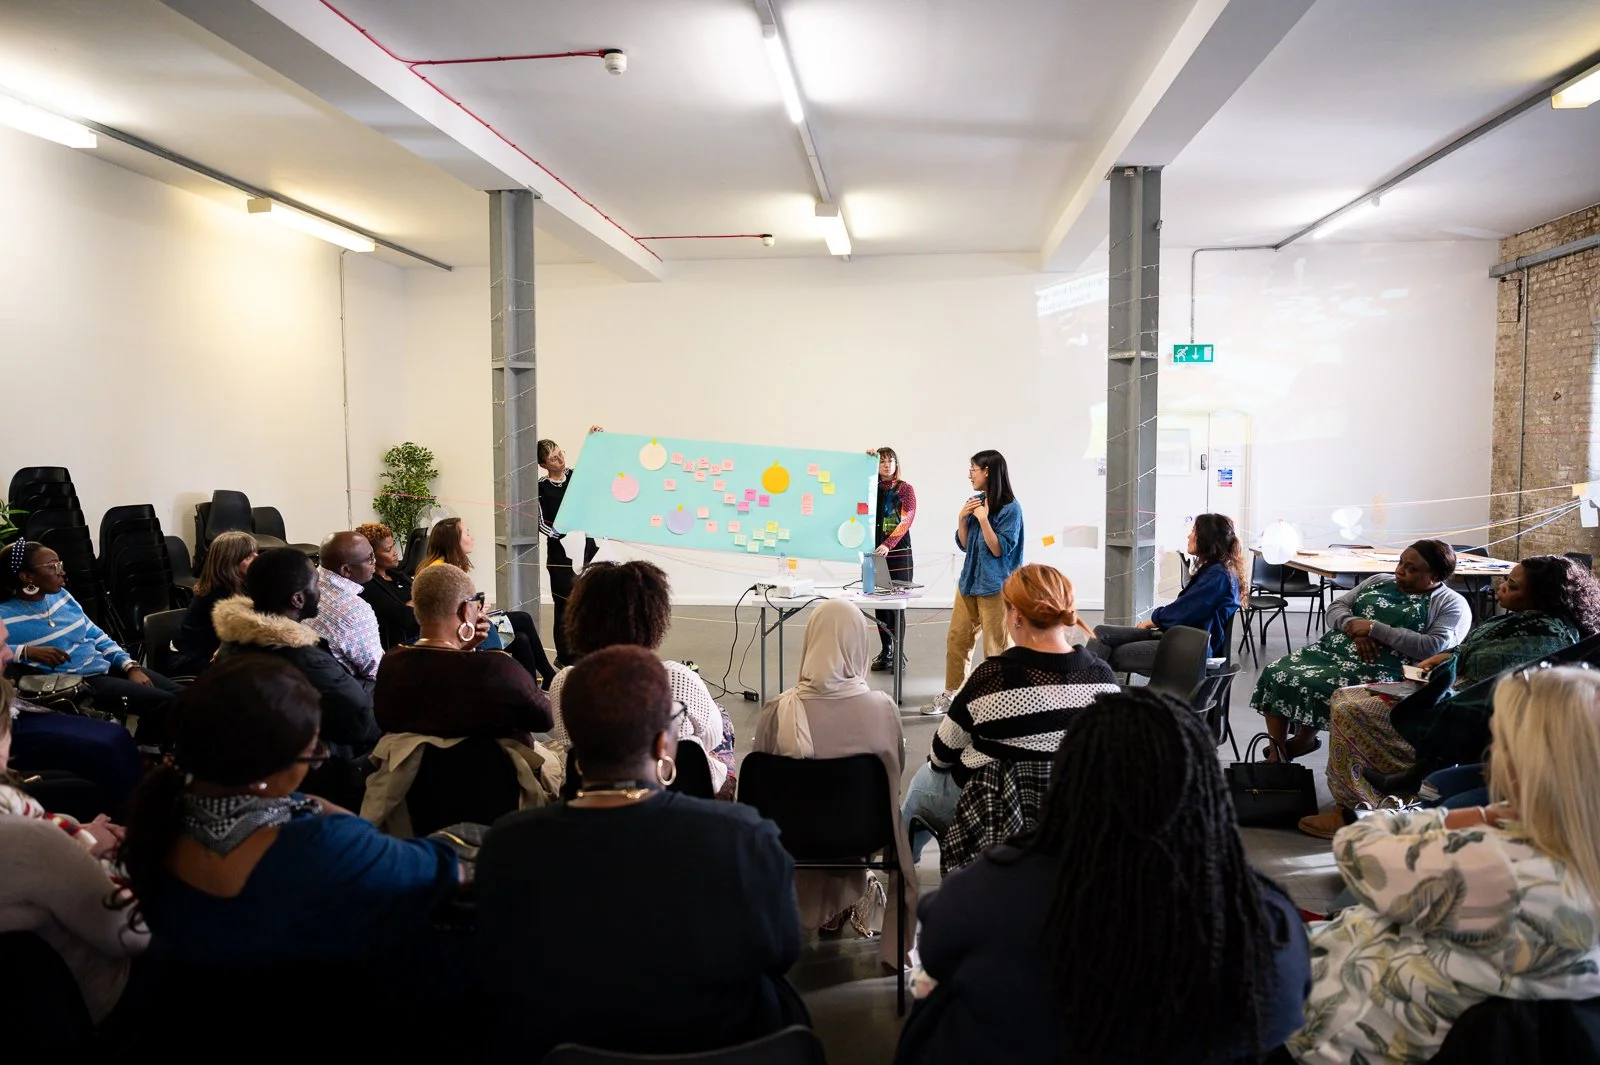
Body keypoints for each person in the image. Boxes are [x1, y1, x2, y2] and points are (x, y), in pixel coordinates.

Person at [898, 689, 1309, 1065]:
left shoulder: (988, 894)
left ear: (1067, 779)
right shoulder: (1262, 922)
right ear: (1205, 790)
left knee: (931, 992)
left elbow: (937, 943)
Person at [476, 646, 807, 1059]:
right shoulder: (744, 838)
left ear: (573, 739)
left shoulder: (508, 846)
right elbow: (781, 950)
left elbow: (497, 967)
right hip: (721, 1045)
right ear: (663, 743)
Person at [1286, 666, 1600, 1063]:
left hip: (1341, 1033)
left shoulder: (1490, 866)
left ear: (1528, 767)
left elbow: (1355, 845)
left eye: (1500, 742)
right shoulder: (1571, 865)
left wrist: (1464, 817)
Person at [114, 654, 462, 969]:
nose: (318, 761)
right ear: (263, 772)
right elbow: (439, 869)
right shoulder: (321, 844)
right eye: (311, 753)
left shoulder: (157, 823)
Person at [1304, 554, 1600, 836]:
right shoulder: (1521, 620)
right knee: (1344, 695)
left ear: (1543, 598)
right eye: (1506, 580)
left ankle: (1358, 807)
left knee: (1354, 708)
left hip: (1470, 710)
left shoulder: (1546, 636)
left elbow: (1492, 683)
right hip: (1454, 689)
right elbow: (1472, 649)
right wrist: (1446, 657)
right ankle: (1357, 795)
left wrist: (1445, 668)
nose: (1502, 587)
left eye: (1512, 585)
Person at [902, 564, 1117, 868]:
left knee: (924, 779)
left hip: (995, 810)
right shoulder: (1103, 678)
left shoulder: (990, 677)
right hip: (1073, 809)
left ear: (1015, 615)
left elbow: (941, 755)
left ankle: (900, 870)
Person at [753, 599, 914, 965]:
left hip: (789, 838)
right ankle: (845, 896)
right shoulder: (883, 710)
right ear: (860, 643)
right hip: (861, 833)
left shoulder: (777, 711)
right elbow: (894, 780)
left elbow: (760, 788)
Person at [0, 678, 148, 1026]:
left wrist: (76, 833)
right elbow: (130, 935)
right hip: (84, 1006)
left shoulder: (27, 823)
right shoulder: (29, 839)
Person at [1253, 539, 1468, 762]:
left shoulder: (1451, 604)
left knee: (1320, 684)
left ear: (1434, 576)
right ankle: (1277, 754)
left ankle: (1301, 742)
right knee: (1277, 672)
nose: (1400, 571)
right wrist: (1354, 627)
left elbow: (1433, 645)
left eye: (1411, 569)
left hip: (1382, 669)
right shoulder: (1378, 581)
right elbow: (1336, 607)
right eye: (1400, 563)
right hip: (1330, 653)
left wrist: (1375, 629)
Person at [548, 560, 734, 795]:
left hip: (592, 801)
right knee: (721, 721)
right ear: (653, 618)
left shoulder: (565, 682)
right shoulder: (677, 676)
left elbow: (568, 742)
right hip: (683, 799)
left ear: (579, 617)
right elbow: (713, 737)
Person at [211, 547, 379, 780]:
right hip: (312, 772)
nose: (321, 591)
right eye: (317, 584)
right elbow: (360, 722)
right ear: (298, 599)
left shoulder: (232, 641)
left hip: (255, 763)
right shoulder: (304, 659)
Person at [0, 539, 183, 738]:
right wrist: (26, 651)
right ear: (27, 577)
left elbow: (95, 635)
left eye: (60, 564)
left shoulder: (62, 596)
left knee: (185, 696)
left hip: (103, 665)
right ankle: (150, 750)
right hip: (81, 681)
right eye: (53, 566)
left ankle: (147, 744)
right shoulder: (5, 614)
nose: (62, 571)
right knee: (167, 702)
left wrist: (130, 666)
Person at [373, 563, 552, 739]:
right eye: (477, 602)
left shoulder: (391, 662)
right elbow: (543, 719)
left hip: (413, 763)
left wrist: (465, 648)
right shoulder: (496, 667)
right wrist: (489, 652)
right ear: (466, 610)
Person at [924, 449, 1025, 716]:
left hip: (996, 587)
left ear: (988, 471)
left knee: (997, 646)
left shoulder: (1011, 509)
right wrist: (962, 519)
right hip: (969, 582)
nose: (970, 475)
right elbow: (966, 544)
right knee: (958, 639)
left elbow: (999, 549)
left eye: (973, 469)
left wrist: (982, 519)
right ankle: (952, 694)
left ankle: (1000, 701)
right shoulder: (975, 501)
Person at [1088, 512, 1244, 672]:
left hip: (1190, 648)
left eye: (1194, 531)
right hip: (1179, 636)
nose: (1189, 536)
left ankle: (1080, 690)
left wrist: (1153, 620)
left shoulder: (1218, 576)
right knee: (1101, 633)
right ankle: (1081, 689)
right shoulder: (1215, 570)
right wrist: (1157, 620)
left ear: (1207, 537)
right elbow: (1185, 608)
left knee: (1114, 654)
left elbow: (1185, 611)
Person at [420, 517, 556, 686]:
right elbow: (446, 612)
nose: (471, 537)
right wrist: (476, 610)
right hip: (459, 632)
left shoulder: (445, 565)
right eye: (467, 533)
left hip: (467, 623)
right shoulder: (440, 571)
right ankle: (546, 677)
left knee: (521, 638)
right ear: (453, 540)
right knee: (522, 620)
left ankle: (532, 686)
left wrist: (476, 608)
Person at [538, 428, 603, 666]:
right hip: (560, 554)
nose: (560, 459)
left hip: (587, 548)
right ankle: (565, 657)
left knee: (590, 600)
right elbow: (541, 523)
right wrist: (563, 533)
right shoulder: (540, 488)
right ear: (544, 464)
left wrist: (594, 439)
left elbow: (595, 472)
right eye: (554, 457)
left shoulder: (576, 478)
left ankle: (590, 649)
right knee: (564, 605)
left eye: (560, 453)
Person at [170, 530, 257, 676]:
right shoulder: (217, 594)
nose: (257, 559)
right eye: (249, 556)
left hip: (213, 655)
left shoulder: (243, 584)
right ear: (230, 563)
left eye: (255, 553)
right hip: (190, 661)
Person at [304, 530, 383, 682]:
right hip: (349, 691)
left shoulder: (305, 585)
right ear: (346, 570)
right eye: (370, 559)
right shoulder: (355, 610)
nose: (375, 562)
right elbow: (375, 670)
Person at [870, 445, 917, 672]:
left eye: (890, 461)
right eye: (881, 461)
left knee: (896, 606)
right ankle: (886, 650)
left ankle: (899, 653)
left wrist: (888, 544)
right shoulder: (871, 489)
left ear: (897, 464)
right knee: (880, 606)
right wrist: (865, 460)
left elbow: (906, 520)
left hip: (898, 554)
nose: (887, 465)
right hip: (876, 554)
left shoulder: (905, 489)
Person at [356, 521, 419, 650]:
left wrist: (411, 604)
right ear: (371, 555)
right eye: (388, 549)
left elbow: (427, 594)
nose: (395, 552)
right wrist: (419, 601)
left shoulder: (396, 574)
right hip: (400, 649)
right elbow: (406, 619)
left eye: (393, 546)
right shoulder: (368, 585)